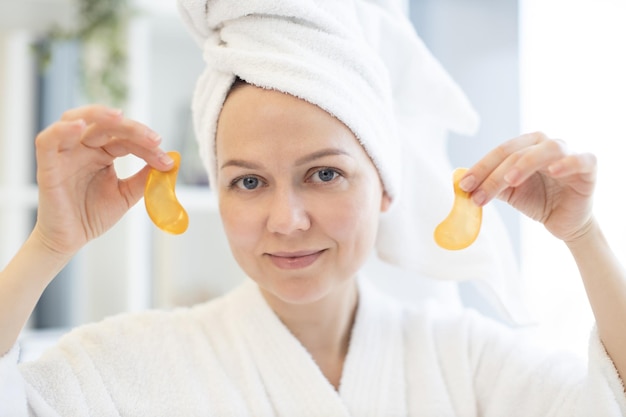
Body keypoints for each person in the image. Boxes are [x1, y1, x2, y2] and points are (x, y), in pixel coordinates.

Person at [1, 0, 625, 415]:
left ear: (384, 185)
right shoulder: (139, 363)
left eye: (324, 174)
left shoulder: (463, 360)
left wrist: (586, 234)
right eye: (248, 183)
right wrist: (47, 247)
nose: (287, 220)